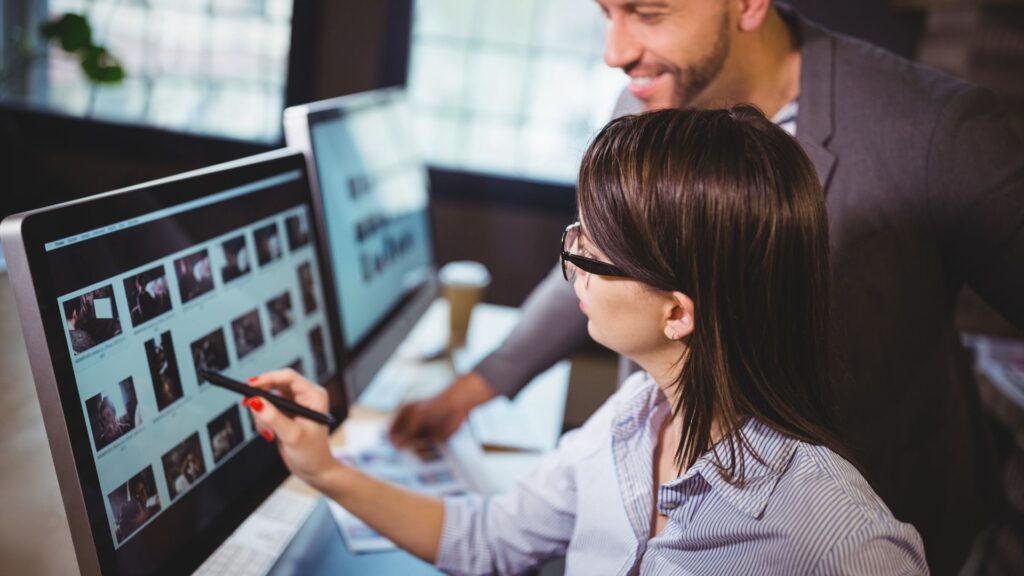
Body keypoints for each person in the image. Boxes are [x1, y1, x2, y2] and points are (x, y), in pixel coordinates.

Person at [388, 1, 1024, 572]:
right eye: (606, 12)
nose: (615, 52)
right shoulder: (650, 95)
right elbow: (602, 259)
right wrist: (472, 391)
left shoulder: (934, 129)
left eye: (648, 12)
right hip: (676, 488)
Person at [249, 107, 928, 575]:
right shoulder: (627, 425)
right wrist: (325, 469)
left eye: (592, 250)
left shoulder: (844, 539)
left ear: (676, 315)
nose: (570, 262)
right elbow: (485, 541)